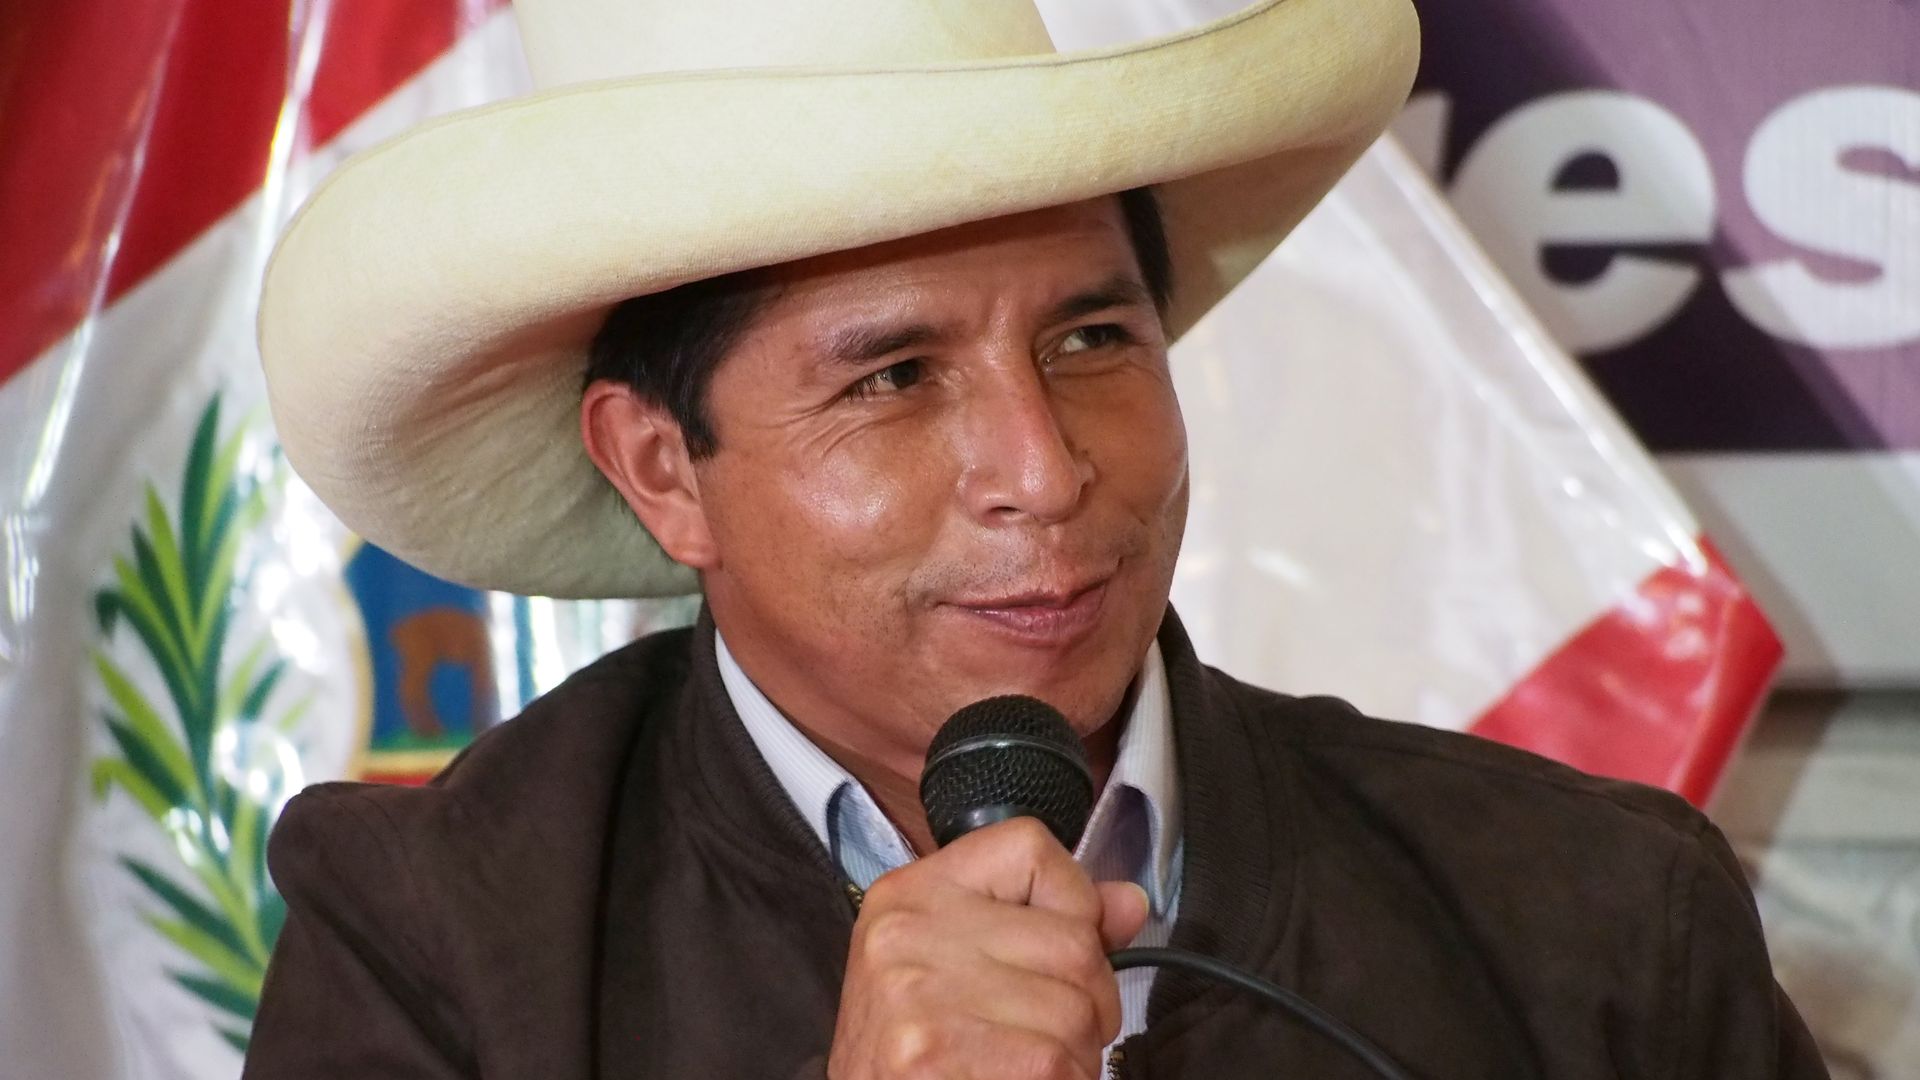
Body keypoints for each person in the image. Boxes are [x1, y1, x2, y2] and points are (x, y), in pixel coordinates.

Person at [244, 0, 1829, 1076]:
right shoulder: (441, 947)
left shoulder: (1592, 918)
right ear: (664, 469)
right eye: (892, 377)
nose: (1044, 471)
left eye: (1090, 341)